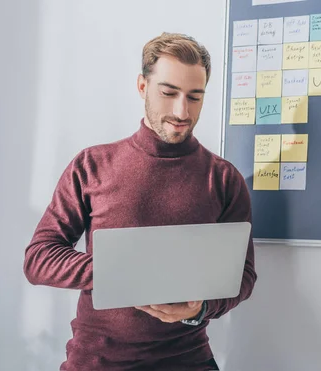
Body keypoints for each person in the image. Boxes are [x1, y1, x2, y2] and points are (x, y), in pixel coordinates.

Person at [23, 32, 257, 371]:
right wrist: (121, 272)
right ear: (142, 86)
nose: (182, 110)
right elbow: (39, 258)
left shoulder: (223, 179)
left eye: (195, 97)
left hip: (188, 361)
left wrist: (201, 309)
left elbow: (243, 275)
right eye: (169, 92)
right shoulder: (92, 165)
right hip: (98, 362)